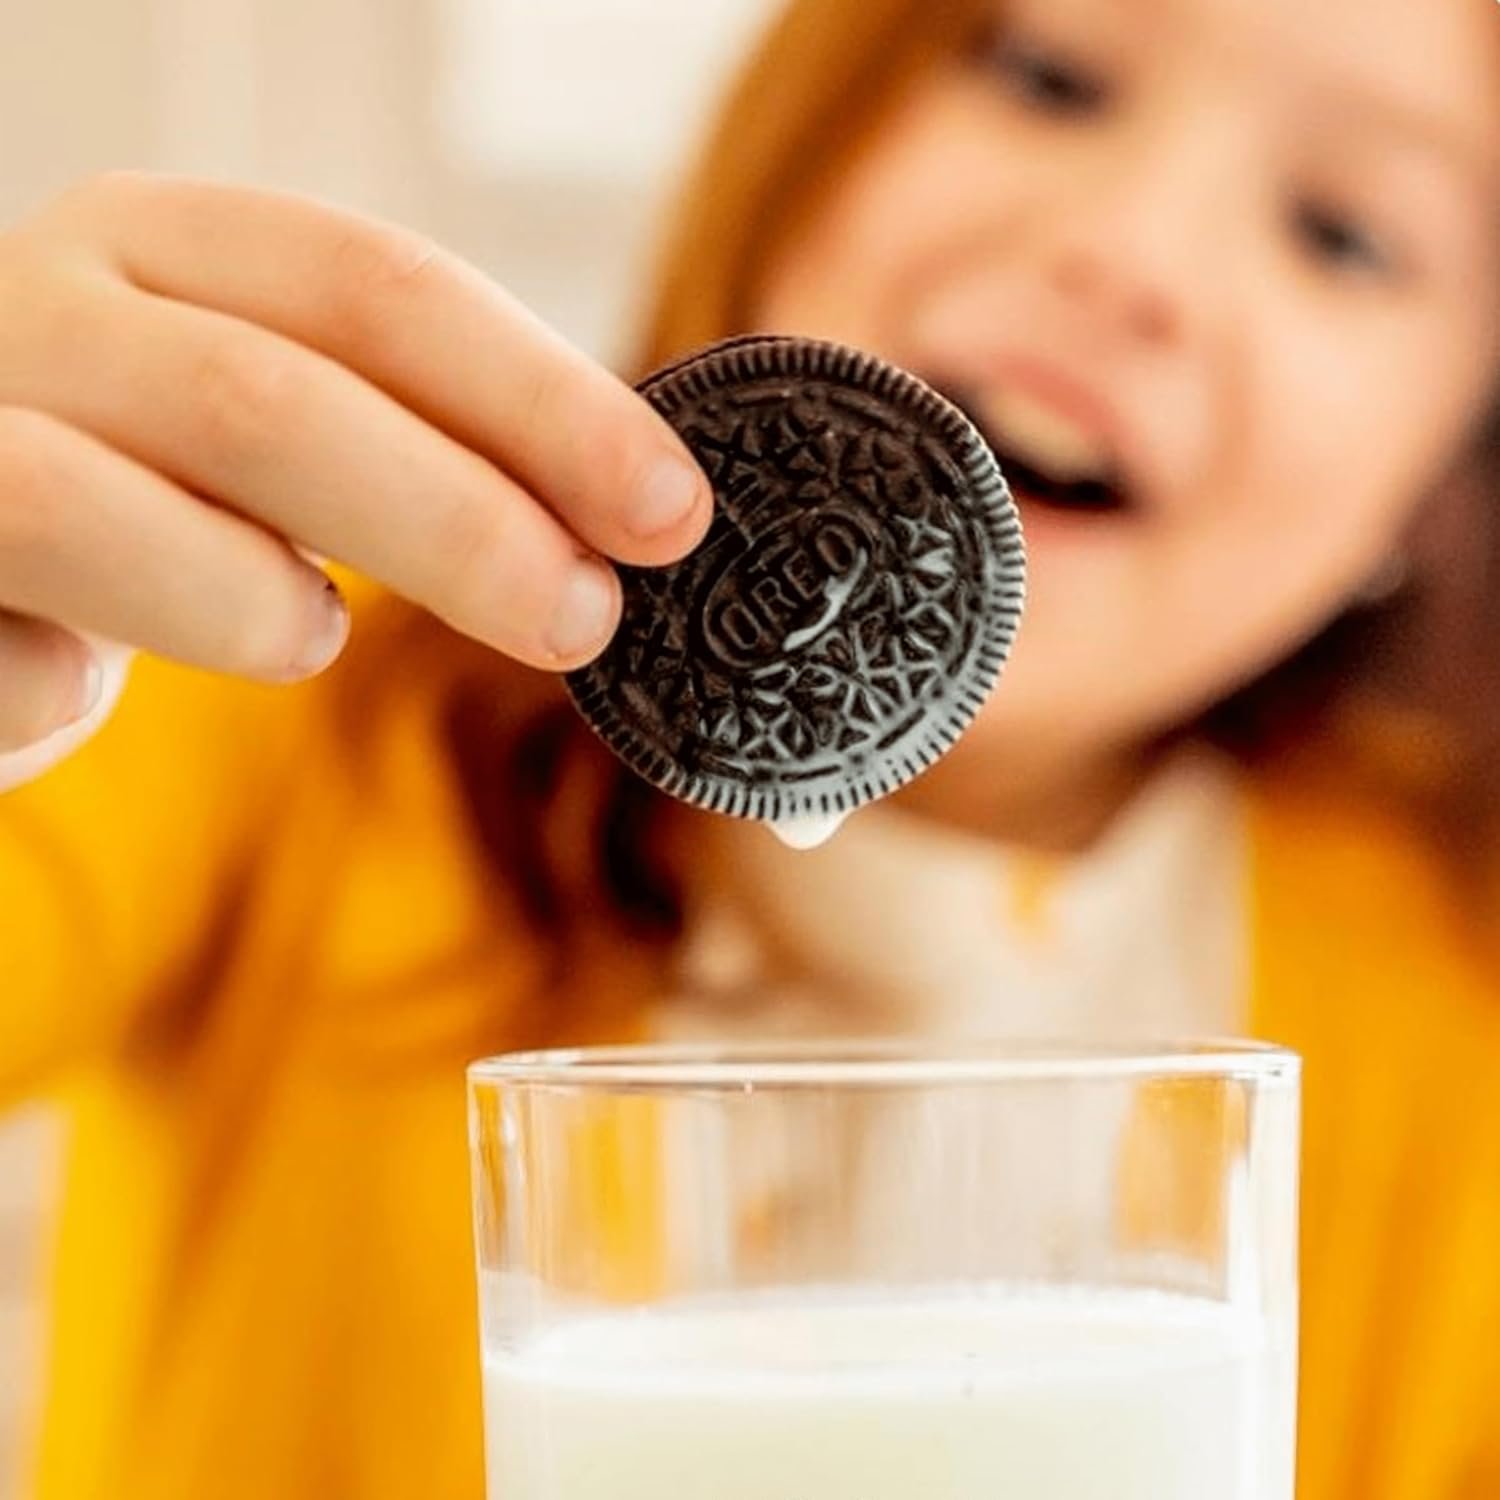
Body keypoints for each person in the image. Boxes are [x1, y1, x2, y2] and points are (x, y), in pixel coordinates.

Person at [0, 0, 1495, 1494]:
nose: (1135, 253)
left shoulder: (1460, 1015)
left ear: (1451, 469)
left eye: (1348, 235)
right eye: (1047, 76)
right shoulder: (267, 677)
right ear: (790, 134)